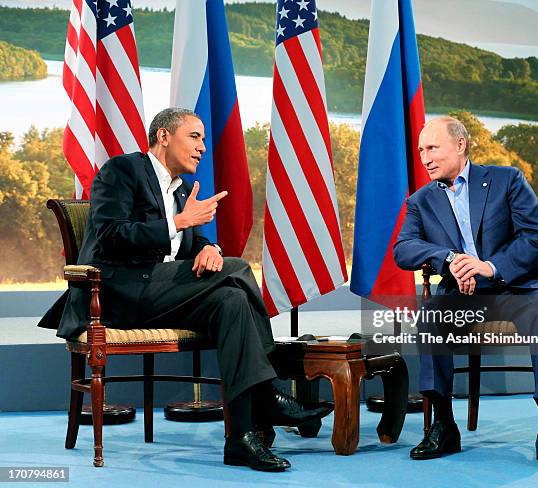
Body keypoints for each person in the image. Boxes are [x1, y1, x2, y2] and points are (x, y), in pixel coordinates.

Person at [39, 107, 332, 472]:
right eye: (195, 137)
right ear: (163, 136)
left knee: (231, 300)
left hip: (160, 295)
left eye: (204, 139)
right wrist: (178, 222)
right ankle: (267, 392)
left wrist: (210, 248)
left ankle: (241, 439)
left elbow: (190, 244)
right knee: (238, 269)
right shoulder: (122, 171)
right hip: (117, 295)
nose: (203, 147)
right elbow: (111, 236)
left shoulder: (178, 191)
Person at [393, 116, 538, 469]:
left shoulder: (506, 180)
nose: (424, 157)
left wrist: (488, 267)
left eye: (432, 148)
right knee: (430, 316)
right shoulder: (421, 200)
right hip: (462, 294)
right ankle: (443, 425)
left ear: (460, 145)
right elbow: (403, 248)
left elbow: (536, 239)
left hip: (518, 286)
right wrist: (450, 258)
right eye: (421, 150)